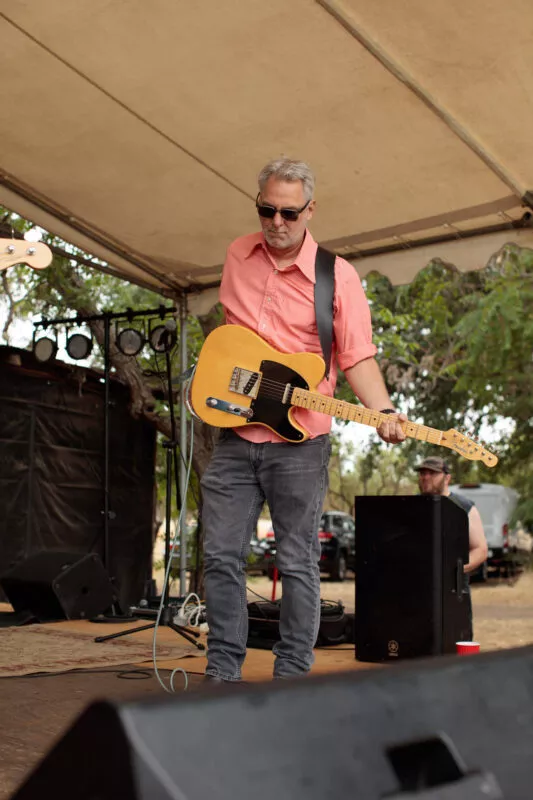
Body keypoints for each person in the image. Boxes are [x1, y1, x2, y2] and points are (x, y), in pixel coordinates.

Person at [201, 157, 406, 684]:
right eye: (266, 210)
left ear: (310, 210)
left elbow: (356, 356)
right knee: (220, 556)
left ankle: (292, 677)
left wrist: (381, 410)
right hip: (235, 432)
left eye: (289, 213)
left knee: (295, 564)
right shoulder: (237, 255)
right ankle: (221, 672)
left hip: (300, 442)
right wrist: (219, 380)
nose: (277, 222)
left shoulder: (337, 276)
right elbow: (231, 338)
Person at [416, 455, 488, 636]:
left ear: (447, 478)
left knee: (456, 641)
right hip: (419, 590)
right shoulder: (413, 505)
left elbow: (480, 550)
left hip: (453, 589)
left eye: (432, 473)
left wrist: (453, 570)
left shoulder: (464, 507)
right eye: (422, 473)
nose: (425, 477)